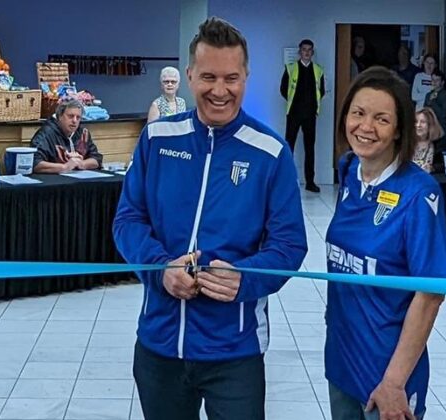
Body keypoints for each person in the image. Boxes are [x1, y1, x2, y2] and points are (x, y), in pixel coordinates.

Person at [113, 16, 308, 420]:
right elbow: (128, 220)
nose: (220, 90)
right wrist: (160, 268)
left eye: (231, 78)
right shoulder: (156, 140)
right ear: (189, 76)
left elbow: (289, 245)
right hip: (160, 345)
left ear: (246, 77)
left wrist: (245, 278)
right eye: (208, 77)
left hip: (235, 352)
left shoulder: (270, 153)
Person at [326, 66, 446, 420]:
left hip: (387, 377)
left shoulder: (419, 193)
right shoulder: (348, 169)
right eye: (358, 113)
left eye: (381, 119)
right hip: (341, 362)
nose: (365, 127)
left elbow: (430, 295)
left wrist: (394, 383)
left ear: (399, 129)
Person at [280, 38, 326, 192]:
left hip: (310, 114)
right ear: (299, 52)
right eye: (304, 49)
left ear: (312, 53)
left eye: (309, 50)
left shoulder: (318, 70)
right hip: (294, 113)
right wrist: (296, 104)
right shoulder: (290, 68)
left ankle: (310, 182)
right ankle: (285, 181)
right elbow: (284, 89)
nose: (306, 52)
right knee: (289, 147)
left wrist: (311, 106)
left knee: (309, 148)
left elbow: (321, 91)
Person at [30, 98, 103, 174]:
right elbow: (35, 163)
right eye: (70, 116)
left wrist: (81, 164)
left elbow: (97, 159)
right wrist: (65, 167)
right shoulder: (46, 134)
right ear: (60, 116)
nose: (74, 121)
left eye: (78, 117)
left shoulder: (83, 133)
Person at [423, 70, 446, 169]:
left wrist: (433, 102)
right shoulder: (428, 95)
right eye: (433, 80)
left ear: (442, 82)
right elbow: (425, 111)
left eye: (437, 80)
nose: (434, 83)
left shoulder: (445, 96)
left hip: (441, 131)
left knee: (439, 157)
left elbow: (444, 114)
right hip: (430, 130)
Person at [413, 107, 443, 173]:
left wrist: (432, 168)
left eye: (422, 122)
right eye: (416, 122)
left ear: (430, 125)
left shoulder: (439, 144)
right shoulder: (406, 143)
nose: (418, 125)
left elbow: (443, 165)